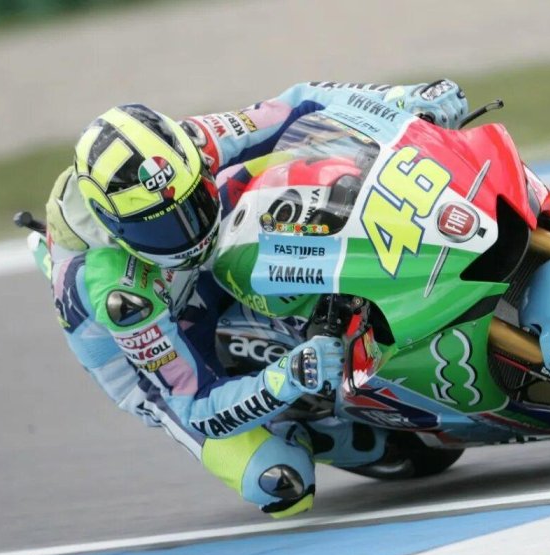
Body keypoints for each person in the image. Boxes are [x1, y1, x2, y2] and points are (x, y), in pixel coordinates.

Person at [45, 80, 470, 518]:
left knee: (304, 170)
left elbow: (302, 102)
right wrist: (287, 377)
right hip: (163, 365)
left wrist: (398, 99)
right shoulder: (119, 295)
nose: (188, 232)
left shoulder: (191, 145)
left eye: (192, 202)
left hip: (207, 264)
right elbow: (195, 406)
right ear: (114, 226)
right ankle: (309, 428)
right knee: (282, 484)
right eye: (160, 227)